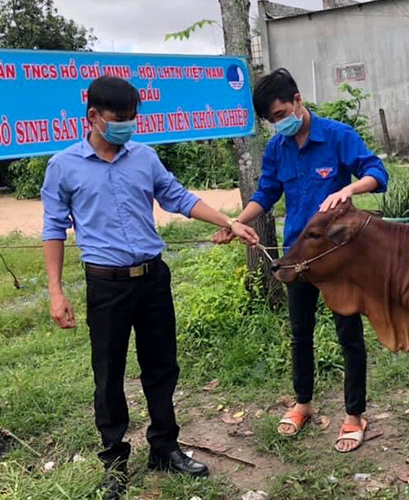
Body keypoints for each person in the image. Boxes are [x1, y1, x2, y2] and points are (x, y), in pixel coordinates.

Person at [41, 75, 258, 499]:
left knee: (161, 367)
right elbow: (53, 227)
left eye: (132, 119)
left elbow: (177, 197)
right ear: (93, 117)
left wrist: (229, 222)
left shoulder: (144, 157)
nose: (126, 127)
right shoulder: (64, 165)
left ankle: (165, 447)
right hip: (106, 285)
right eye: (118, 119)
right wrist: (55, 290)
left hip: (152, 278)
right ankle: (114, 462)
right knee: (109, 374)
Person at [212, 68, 388, 453]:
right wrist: (235, 222)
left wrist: (349, 188)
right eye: (271, 121)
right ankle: (303, 403)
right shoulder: (278, 148)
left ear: (298, 101)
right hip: (299, 258)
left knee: (349, 336)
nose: (279, 124)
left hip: (340, 259)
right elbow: (268, 191)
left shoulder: (337, 136)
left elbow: (377, 172)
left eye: (281, 115)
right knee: (300, 334)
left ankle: (355, 415)